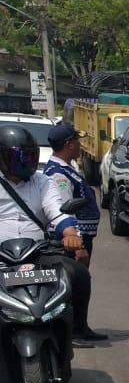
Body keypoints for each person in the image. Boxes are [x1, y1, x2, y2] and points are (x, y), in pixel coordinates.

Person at [0, 124, 105, 345]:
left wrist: (70, 233)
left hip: (36, 251)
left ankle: (72, 330)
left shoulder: (42, 181)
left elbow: (56, 210)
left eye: (30, 155)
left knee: (77, 274)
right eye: (20, 156)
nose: (25, 161)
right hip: (2, 255)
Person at [42, 122, 100, 267]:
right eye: (78, 141)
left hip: (77, 240)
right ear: (69, 145)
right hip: (71, 243)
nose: (81, 145)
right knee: (74, 284)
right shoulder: (58, 174)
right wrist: (79, 247)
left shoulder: (66, 168)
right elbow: (65, 211)